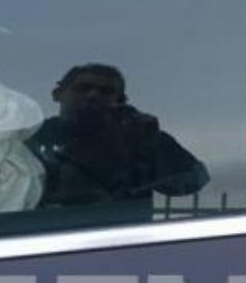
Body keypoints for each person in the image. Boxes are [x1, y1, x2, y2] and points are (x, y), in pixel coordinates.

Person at [25, 63, 209, 221]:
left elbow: (192, 181)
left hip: (122, 239)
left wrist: (153, 144)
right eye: (83, 88)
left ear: (120, 101)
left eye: (106, 91)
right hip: (46, 237)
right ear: (58, 94)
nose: (93, 95)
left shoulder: (139, 137)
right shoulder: (33, 139)